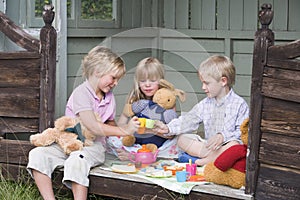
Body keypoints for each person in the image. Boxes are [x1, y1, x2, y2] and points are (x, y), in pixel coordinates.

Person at [27, 46, 139, 200]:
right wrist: (126, 130)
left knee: (77, 159)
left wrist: (122, 141)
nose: (116, 83)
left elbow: (109, 122)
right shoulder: (81, 93)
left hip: (93, 147)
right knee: (37, 154)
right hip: (68, 144)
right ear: (98, 71)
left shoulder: (109, 97)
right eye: (113, 78)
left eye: (118, 79)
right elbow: (93, 125)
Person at [153, 55, 249, 166]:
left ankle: (201, 162)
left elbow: (242, 133)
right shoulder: (206, 104)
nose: (203, 87)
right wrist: (168, 128)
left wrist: (223, 136)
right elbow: (188, 120)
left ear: (223, 81)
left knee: (235, 145)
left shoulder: (239, 104)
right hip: (209, 148)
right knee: (182, 139)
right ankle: (212, 159)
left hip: (227, 148)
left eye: (206, 83)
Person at [107, 57, 180, 160]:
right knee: (111, 139)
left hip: (160, 144)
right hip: (137, 142)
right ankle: (139, 155)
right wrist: (130, 127)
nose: (147, 84)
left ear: (161, 81)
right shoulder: (134, 99)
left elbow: (171, 134)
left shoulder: (167, 100)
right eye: (142, 80)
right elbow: (121, 124)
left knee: (180, 140)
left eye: (153, 80)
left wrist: (150, 130)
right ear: (137, 82)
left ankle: (135, 156)